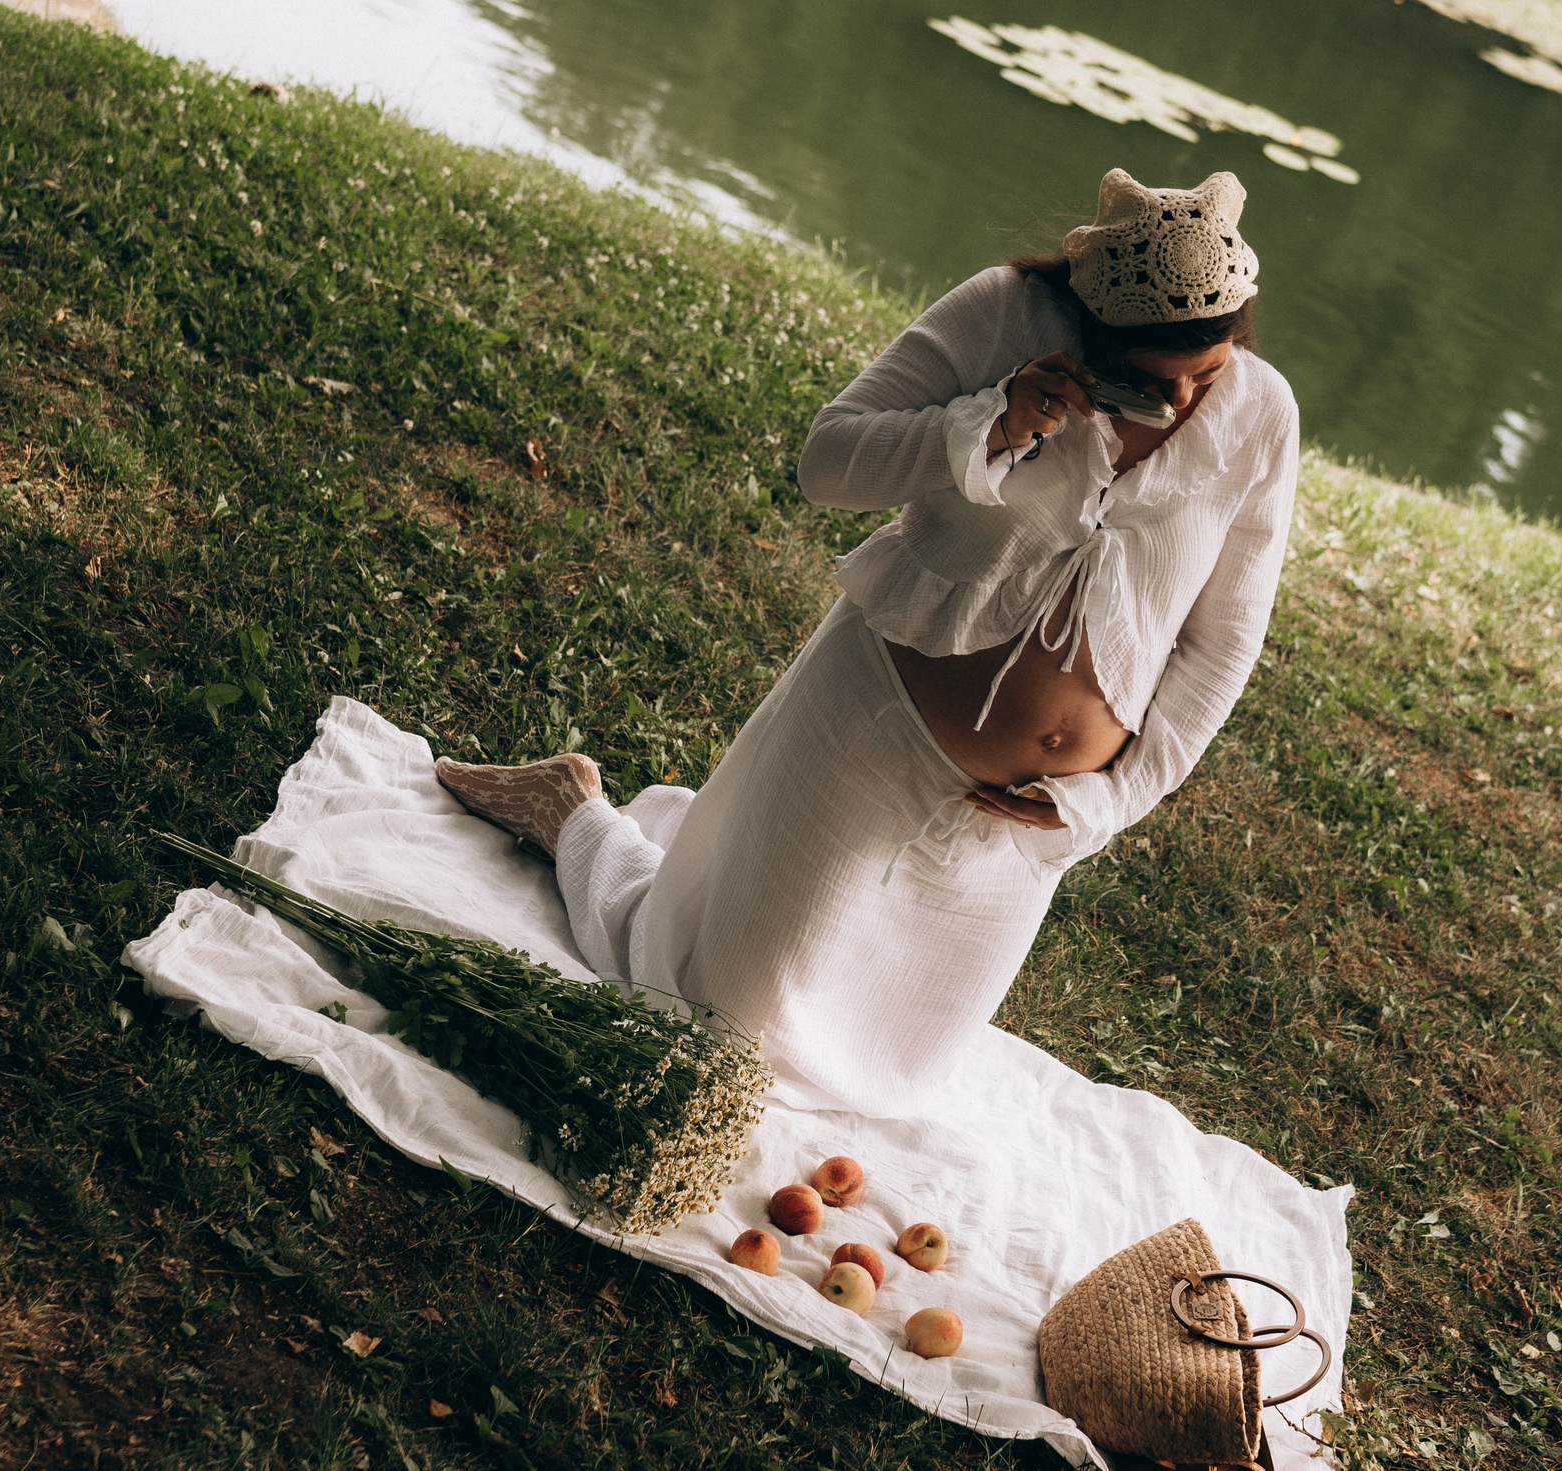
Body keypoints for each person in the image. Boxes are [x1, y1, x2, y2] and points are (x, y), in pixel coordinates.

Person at [435, 168, 1299, 1117]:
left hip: (1019, 830)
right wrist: (996, 421)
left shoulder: (1262, 416)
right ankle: (575, 813)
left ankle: (725, 872)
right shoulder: (1003, 315)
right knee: (707, 1020)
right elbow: (828, 462)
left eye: (1201, 374)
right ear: (1089, 325)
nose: (1176, 402)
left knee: (885, 1087)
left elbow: (1224, 642)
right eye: (1145, 377)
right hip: (870, 731)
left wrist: (1107, 801)